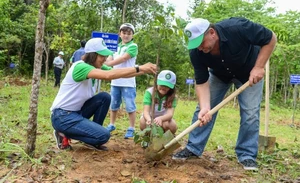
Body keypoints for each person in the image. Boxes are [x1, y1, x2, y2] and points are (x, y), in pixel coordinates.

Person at [172, 17, 277, 171]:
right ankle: (193, 148)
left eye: (201, 43)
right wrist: (205, 107)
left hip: (250, 73)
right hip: (220, 75)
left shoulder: (238, 27)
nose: (199, 48)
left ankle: (247, 155)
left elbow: (271, 38)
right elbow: (201, 82)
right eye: (196, 45)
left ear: (212, 33)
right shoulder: (196, 52)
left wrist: (259, 67)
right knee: (202, 111)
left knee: (250, 113)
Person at [50, 37, 157, 150]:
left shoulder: (95, 67)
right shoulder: (80, 67)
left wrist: (144, 71)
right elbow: (108, 75)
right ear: (92, 55)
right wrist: (139, 68)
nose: (105, 59)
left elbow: (117, 73)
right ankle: (63, 134)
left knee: (104, 97)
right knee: (104, 135)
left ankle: (91, 137)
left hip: (77, 112)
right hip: (62, 116)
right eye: (102, 56)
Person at [104, 23, 139, 139]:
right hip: (115, 81)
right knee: (113, 105)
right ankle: (111, 124)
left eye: (129, 33)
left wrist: (109, 63)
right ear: (120, 34)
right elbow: (109, 57)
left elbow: (124, 58)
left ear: (133, 35)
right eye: (124, 33)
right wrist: (106, 64)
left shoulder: (133, 46)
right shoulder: (115, 46)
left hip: (128, 82)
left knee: (130, 106)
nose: (126, 35)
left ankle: (131, 128)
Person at [140, 70, 178, 134]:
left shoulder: (173, 97)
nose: (164, 87)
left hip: (164, 120)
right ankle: (148, 137)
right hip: (150, 118)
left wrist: (161, 118)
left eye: (167, 86)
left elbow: (170, 114)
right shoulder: (149, 92)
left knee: (172, 125)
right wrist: (149, 120)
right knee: (143, 122)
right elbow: (146, 111)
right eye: (162, 84)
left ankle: (164, 138)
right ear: (157, 82)